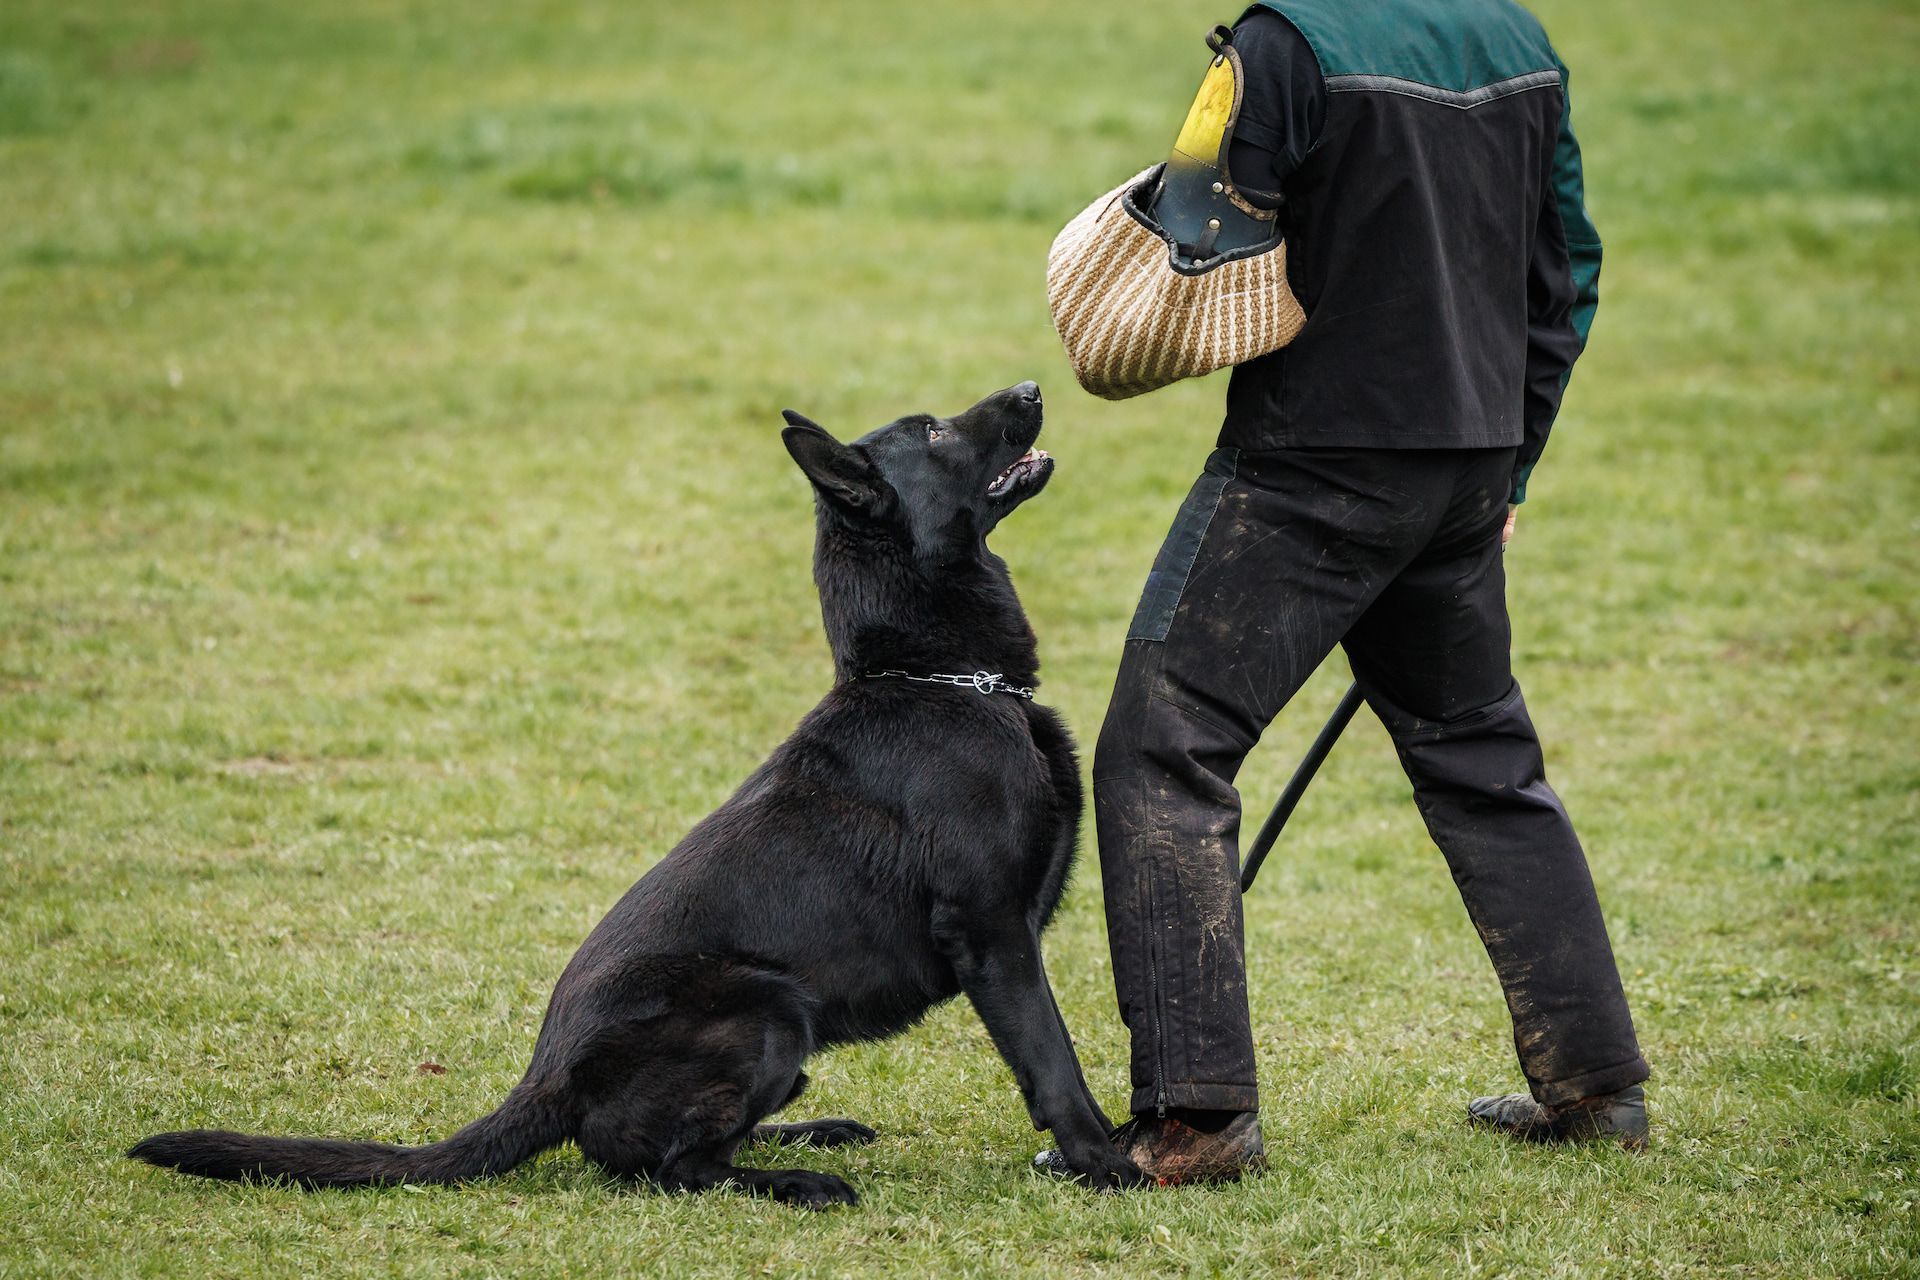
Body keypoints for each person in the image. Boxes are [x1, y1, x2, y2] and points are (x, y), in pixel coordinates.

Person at [1038, 0, 1650, 1186]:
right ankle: (1597, 1084)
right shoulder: (1518, 40)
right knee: (1482, 756)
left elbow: (1198, 226)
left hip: (1315, 463)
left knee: (1164, 748)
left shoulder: (1283, 44)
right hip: (1465, 462)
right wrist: (1507, 461)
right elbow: (1565, 263)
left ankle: (1196, 1120)